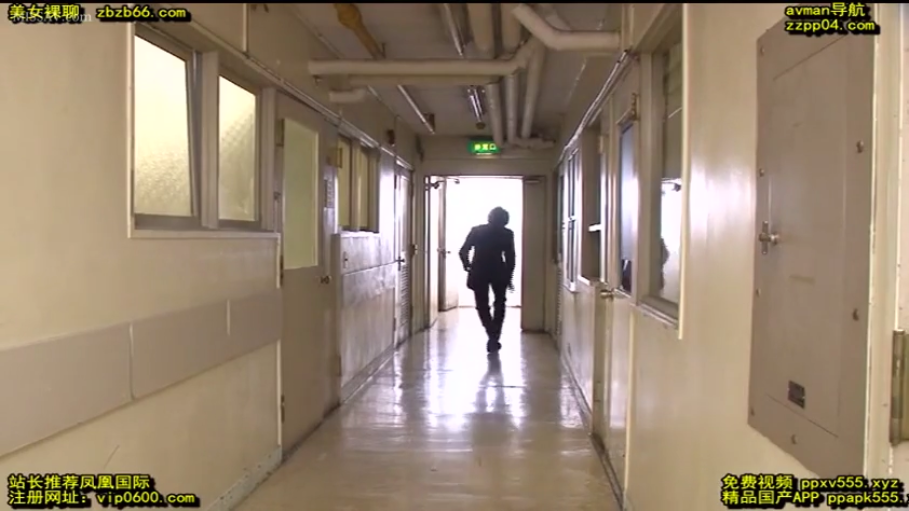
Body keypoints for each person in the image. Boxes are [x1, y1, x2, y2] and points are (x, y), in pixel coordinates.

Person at [459, 207, 516, 353]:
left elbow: (463, 251)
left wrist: (467, 265)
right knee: (500, 303)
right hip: (499, 271)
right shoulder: (507, 233)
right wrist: (509, 276)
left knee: (482, 305)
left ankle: (491, 333)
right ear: (505, 220)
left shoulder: (477, 231)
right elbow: (510, 257)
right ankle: (495, 336)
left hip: (479, 270)